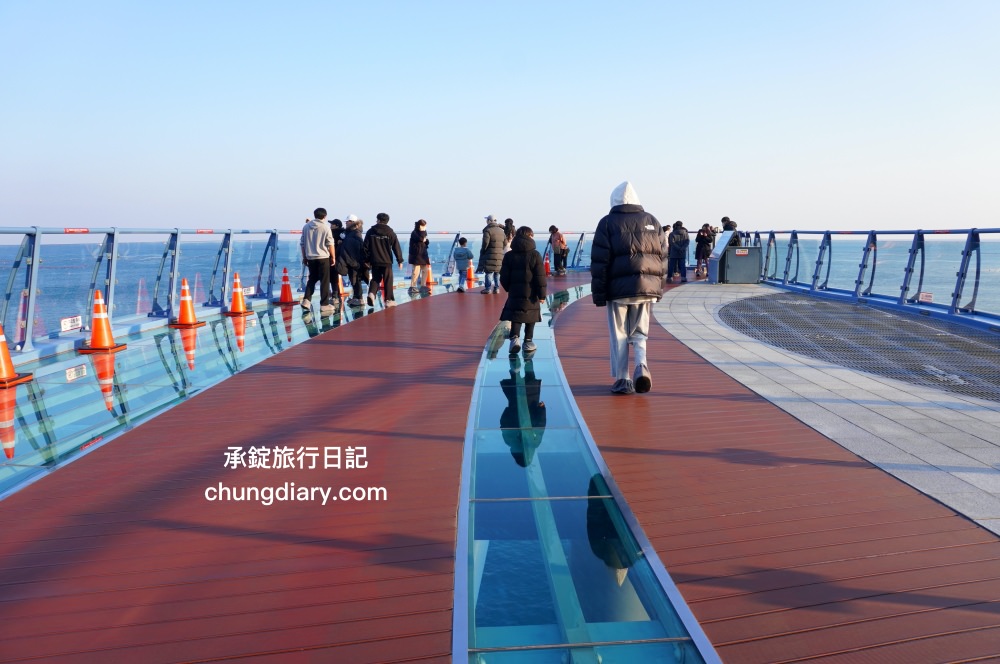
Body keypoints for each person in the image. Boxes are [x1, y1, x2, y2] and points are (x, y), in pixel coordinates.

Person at [590, 181, 666, 395]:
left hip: (618, 290)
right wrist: (658, 287)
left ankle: (623, 378)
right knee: (640, 331)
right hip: (646, 289)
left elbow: (600, 262)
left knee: (619, 333)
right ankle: (641, 365)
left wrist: (599, 294)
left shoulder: (607, 223)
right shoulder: (652, 220)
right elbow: (663, 257)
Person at [499, 226, 547, 356]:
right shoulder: (535, 255)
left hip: (515, 291)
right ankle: (528, 341)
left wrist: (509, 287)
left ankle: (514, 339)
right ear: (529, 236)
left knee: (516, 315)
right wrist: (542, 295)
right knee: (531, 314)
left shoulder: (509, 255)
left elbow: (503, 276)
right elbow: (540, 276)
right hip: (531, 292)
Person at [299, 208, 337, 316]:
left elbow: (302, 243)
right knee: (325, 281)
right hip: (323, 257)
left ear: (314, 215)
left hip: (310, 257)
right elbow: (330, 243)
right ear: (325, 216)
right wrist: (333, 257)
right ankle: (324, 304)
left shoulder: (306, 227)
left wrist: (305, 256)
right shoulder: (325, 227)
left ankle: (306, 300)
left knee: (312, 279)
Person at [363, 212, 403, 308]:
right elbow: (396, 247)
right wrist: (399, 260)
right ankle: (389, 300)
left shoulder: (370, 232)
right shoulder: (390, 233)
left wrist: (367, 260)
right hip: (386, 260)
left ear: (378, 220)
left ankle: (372, 294)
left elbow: (365, 247)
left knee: (376, 278)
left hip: (374, 260)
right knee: (388, 279)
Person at [340, 218, 366, 306]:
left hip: (354, 260)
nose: (346, 223)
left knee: (356, 279)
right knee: (354, 279)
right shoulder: (352, 233)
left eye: (348, 222)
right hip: (352, 260)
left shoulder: (355, 233)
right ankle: (356, 297)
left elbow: (359, 246)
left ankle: (359, 298)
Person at [478, 215, 505, 294]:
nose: (486, 221)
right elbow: (505, 243)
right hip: (499, 255)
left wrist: (483, 250)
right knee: (497, 272)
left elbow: (485, 243)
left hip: (489, 255)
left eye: (487, 220)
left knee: (489, 272)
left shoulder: (488, 230)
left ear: (489, 221)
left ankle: (488, 288)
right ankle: (496, 288)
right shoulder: (501, 231)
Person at [407, 219, 431, 294]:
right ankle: (413, 286)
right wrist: (423, 238)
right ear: (420, 226)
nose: (425, 228)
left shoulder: (424, 233)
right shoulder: (414, 233)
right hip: (416, 254)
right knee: (416, 271)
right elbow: (420, 239)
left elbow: (424, 241)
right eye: (424, 226)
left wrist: (426, 241)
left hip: (423, 254)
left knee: (425, 270)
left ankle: (423, 285)